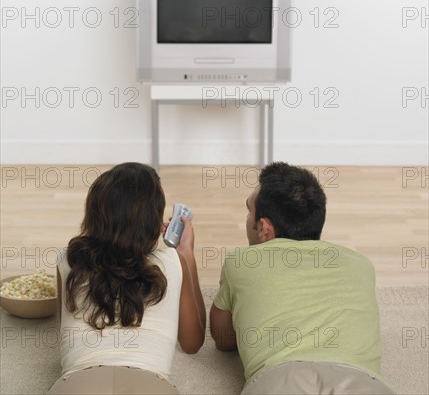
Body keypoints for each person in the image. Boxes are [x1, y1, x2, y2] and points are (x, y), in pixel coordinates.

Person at [210, 162, 396, 395]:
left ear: (264, 228)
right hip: (363, 383)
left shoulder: (241, 261)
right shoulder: (361, 265)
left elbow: (223, 339)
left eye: (249, 211)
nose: (247, 218)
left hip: (281, 380)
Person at [49, 162, 206, 395]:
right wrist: (187, 256)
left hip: (76, 385)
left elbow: (64, 327)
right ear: (152, 221)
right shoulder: (173, 263)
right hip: (150, 386)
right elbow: (193, 343)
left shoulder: (68, 261)